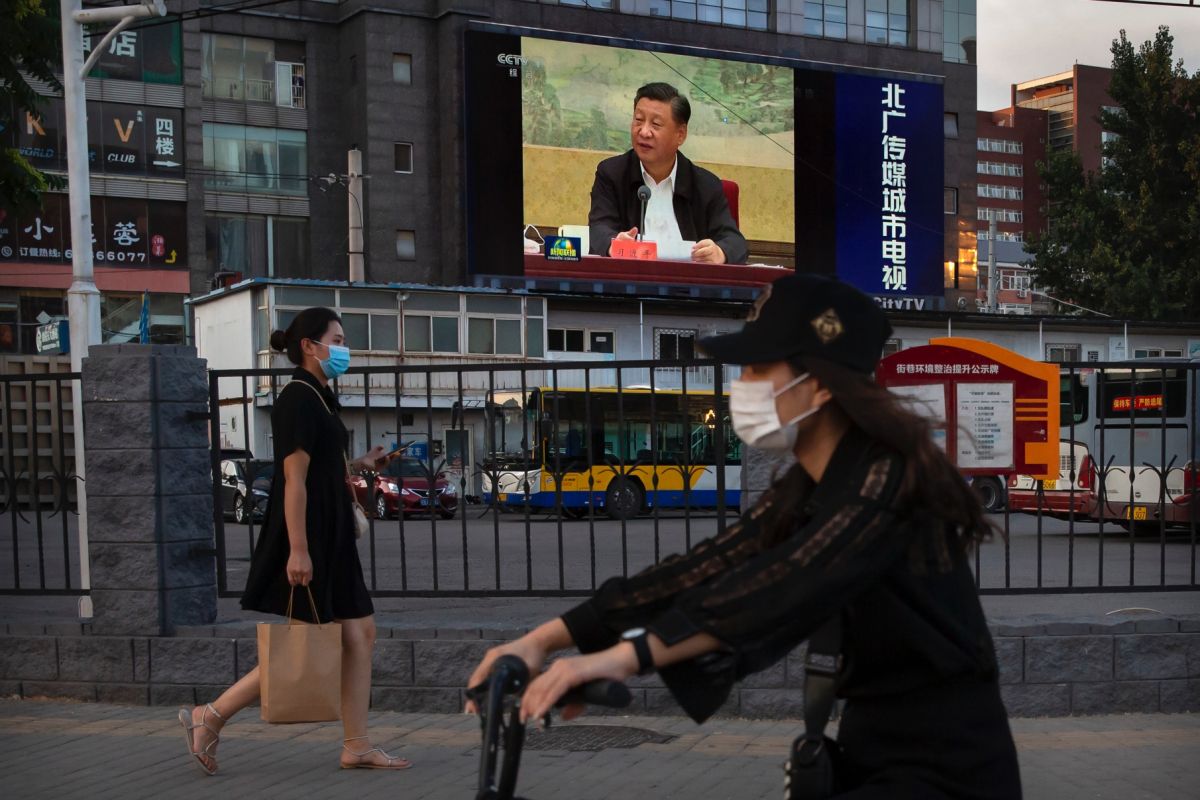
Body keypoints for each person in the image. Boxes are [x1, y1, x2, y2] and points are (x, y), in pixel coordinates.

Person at [465, 274, 1023, 799]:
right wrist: (547, 639)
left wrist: (622, 657)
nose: (740, 386)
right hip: (870, 746)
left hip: (946, 766)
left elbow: (791, 580)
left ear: (820, 386)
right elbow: (711, 565)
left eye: (758, 369)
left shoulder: (889, 478)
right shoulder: (809, 485)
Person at [178, 307, 412, 775]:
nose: (345, 348)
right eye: (338, 338)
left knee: (358, 633)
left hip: (332, 533)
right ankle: (211, 715)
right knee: (305, 643)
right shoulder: (298, 400)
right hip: (309, 536)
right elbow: (294, 480)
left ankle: (357, 744)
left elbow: (323, 470)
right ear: (310, 344)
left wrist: (362, 464)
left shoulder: (322, 395)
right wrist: (299, 549)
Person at [588, 82, 748, 265]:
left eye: (655, 124)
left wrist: (720, 252)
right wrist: (615, 244)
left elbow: (736, 243)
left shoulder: (705, 185)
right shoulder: (612, 174)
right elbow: (598, 229)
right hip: (629, 285)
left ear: (680, 134)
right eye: (638, 120)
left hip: (688, 288)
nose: (644, 131)